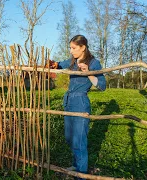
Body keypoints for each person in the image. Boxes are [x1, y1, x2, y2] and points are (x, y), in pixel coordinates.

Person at [48, 35, 106, 178]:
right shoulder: (73, 60)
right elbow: (60, 64)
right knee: (69, 138)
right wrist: (54, 64)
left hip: (80, 102)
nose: (71, 51)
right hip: (68, 101)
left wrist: (88, 73)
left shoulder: (93, 63)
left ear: (83, 47)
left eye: (73, 48)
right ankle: (76, 165)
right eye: (70, 47)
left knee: (79, 141)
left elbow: (102, 86)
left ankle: (81, 174)